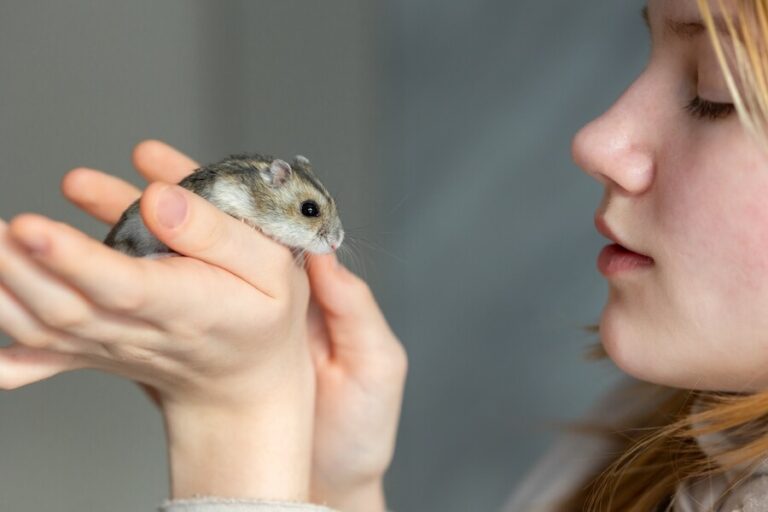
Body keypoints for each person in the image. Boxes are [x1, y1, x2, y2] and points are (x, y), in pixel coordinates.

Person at [1, 0, 767, 510]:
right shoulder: (672, 423)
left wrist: (238, 418)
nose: (594, 140)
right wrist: (332, 478)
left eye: (711, 92)